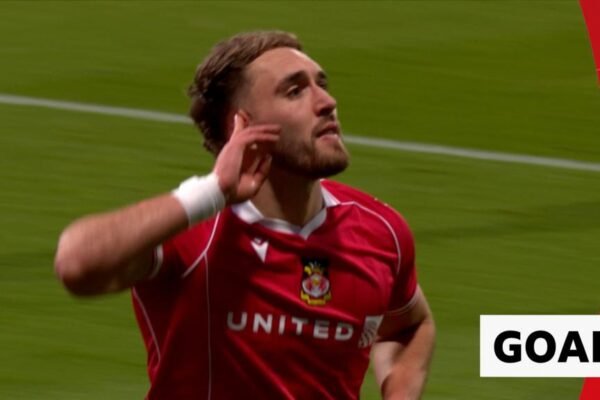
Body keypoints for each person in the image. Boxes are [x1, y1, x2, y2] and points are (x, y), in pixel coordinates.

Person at [54, 31, 435, 400]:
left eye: (322, 84)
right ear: (243, 125)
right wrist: (213, 191)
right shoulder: (192, 231)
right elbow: (76, 263)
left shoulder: (380, 231)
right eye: (295, 91)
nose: (327, 102)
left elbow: (411, 325)